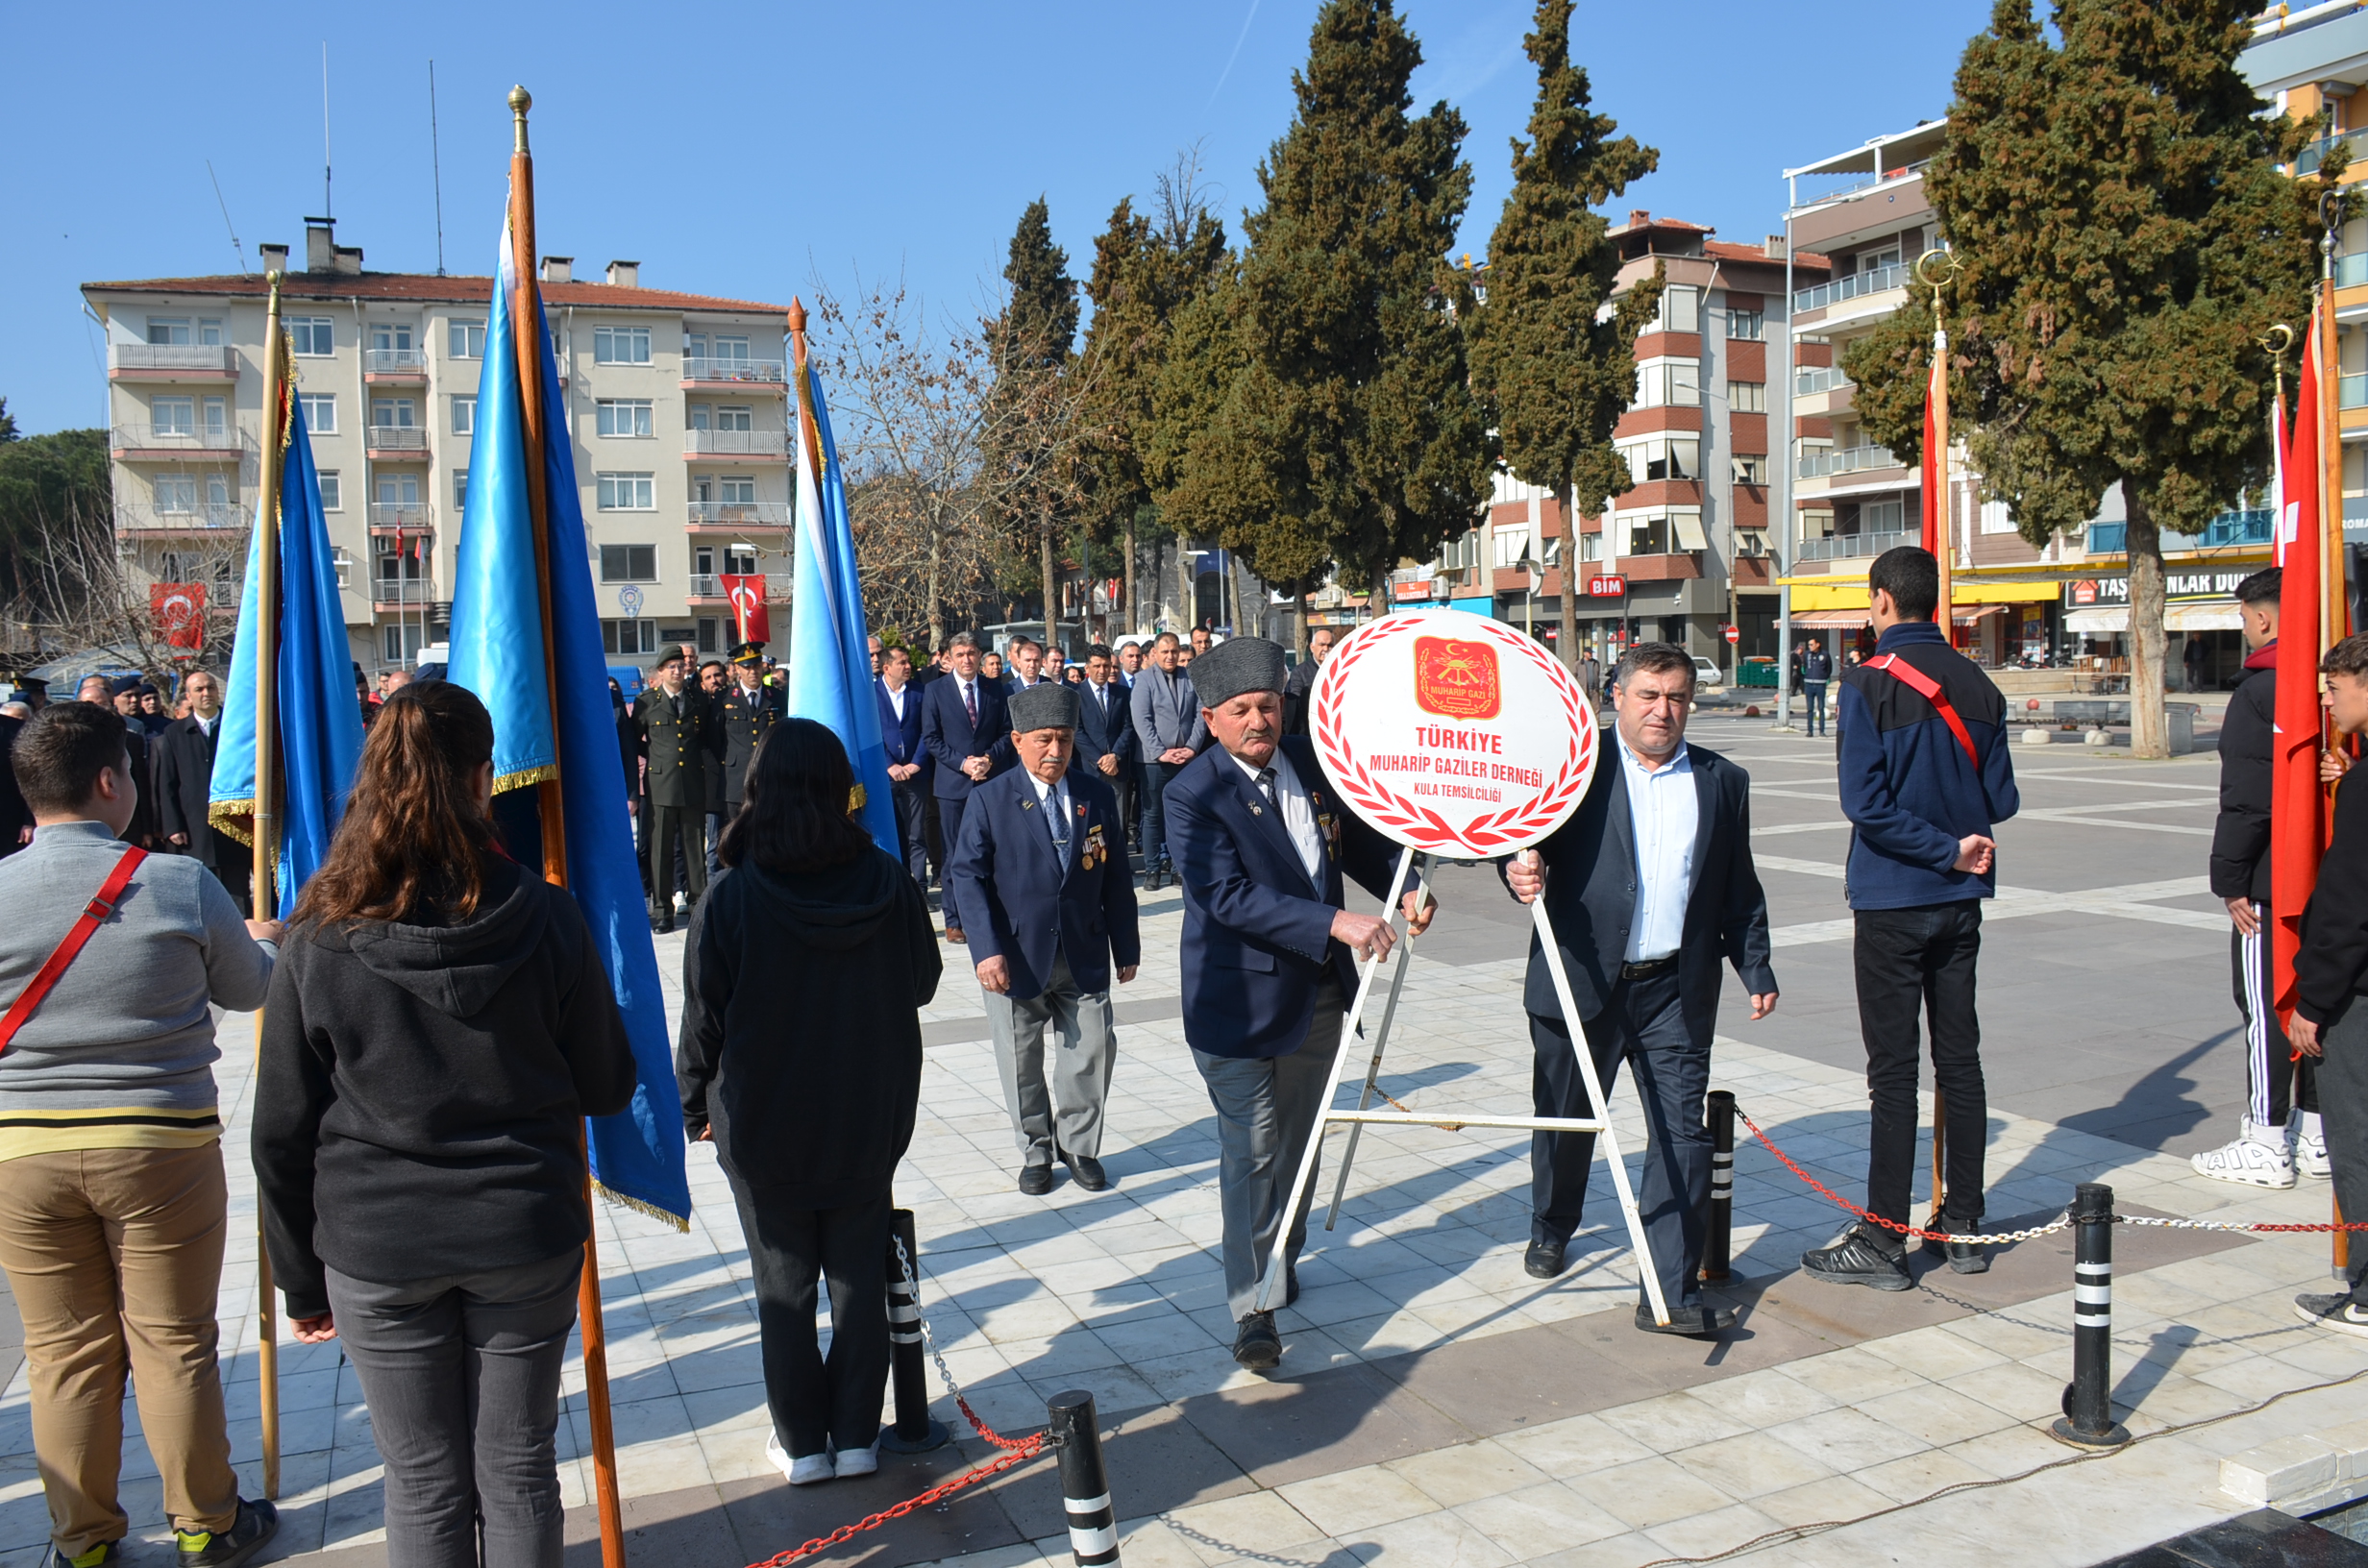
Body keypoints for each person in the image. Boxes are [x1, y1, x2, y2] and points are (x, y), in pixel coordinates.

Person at [253, 682, 636, 1568]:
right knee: (517, 1469)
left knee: (424, 1481)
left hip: (382, 1243)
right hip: (515, 1228)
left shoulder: (318, 932)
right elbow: (607, 1081)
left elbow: (280, 1129)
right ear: (482, 777)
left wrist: (300, 1280)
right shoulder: (545, 913)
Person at [0, 700, 281, 1568]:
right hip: (159, 1145)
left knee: (63, 1354)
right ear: (109, 781)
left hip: (23, 1151)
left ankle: (82, 1542)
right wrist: (265, 941)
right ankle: (206, 1523)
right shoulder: (177, 883)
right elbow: (251, 990)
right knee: (172, 1340)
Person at [678, 718, 941, 1482]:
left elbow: (703, 1017)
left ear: (759, 788)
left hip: (764, 1121)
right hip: (866, 1111)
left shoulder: (730, 895)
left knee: (783, 1287)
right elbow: (922, 981)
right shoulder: (886, 879)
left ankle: (802, 1444)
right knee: (856, 1280)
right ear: (837, 789)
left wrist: (692, 1103)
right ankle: (855, 1436)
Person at [1163, 637, 1433, 1369]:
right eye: (1241, 710)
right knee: (1252, 1150)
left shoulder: (1311, 764)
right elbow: (1224, 895)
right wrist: (1335, 922)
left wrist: (1407, 883)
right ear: (1210, 718)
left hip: (1318, 995)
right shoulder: (1192, 793)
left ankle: (1282, 1252)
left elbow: (1357, 841)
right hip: (1238, 1002)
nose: (1259, 721)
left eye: (1269, 705)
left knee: (1301, 1143)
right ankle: (1253, 1307)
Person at [1504, 643, 1777, 1335]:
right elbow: (1518, 841)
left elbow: (1737, 883)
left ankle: (1668, 1290)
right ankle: (1552, 1224)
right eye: (1649, 695)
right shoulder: (1574, 766)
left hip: (1674, 991)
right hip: (1580, 980)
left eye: (1676, 697)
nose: (1663, 710)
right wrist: (1517, 868)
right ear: (1617, 697)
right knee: (1565, 1118)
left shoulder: (1722, 781)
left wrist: (1755, 966)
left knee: (1682, 1135)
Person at [1803, 546, 2019, 1289]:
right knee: (1960, 1060)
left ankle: (1885, 1239)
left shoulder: (1867, 683)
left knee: (1893, 1072)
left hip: (1894, 899)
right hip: (1961, 904)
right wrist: (1958, 839)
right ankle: (1965, 1226)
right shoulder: (1981, 684)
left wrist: (1939, 849)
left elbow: (1864, 805)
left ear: (1881, 602)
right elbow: (2003, 799)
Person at [948, 684, 1141, 1195]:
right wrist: (986, 950)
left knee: (1092, 1052)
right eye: (1044, 740)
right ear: (1017, 741)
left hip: (1083, 948)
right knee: (1020, 1060)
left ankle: (1078, 1145)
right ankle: (1036, 1150)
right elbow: (967, 876)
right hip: (1016, 955)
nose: (1055, 751)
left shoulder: (1095, 794)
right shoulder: (990, 799)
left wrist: (1127, 945)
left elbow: (1116, 875)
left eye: (1065, 739)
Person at [2201, 569, 2321, 1187]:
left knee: (2265, 1003)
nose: (2245, 627)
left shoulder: (2261, 689)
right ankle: (2317, 1132)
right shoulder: (2325, 681)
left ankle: (2267, 1138)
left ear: (2264, 617)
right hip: (2323, 873)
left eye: (2245, 617)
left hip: (2270, 878)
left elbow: (2247, 797)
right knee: (2317, 998)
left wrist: (2230, 878)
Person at [2287, 633, 2368, 1336]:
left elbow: (2347, 906)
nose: (2326, 699)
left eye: (2336, 687)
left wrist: (2313, 1000)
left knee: (2359, 1137)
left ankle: (2367, 1291)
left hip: (2358, 998)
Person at [920, 634, 1013, 943]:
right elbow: (931, 738)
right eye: (960, 654)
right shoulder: (935, 690)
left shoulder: (994, 689)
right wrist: (963, 764)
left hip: (990, 781)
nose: (967, 659)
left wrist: (988, 759)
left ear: (980, 655)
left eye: (971, 653)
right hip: (953, 785)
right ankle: (954, 919)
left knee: (992, 850)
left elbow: (1006, 733)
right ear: (949, 657)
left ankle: (989, 915)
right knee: (954, 854)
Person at [155, 670, 252, 911]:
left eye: (211, 687)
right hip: (194, 827)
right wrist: (173, 826)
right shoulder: (174, 733)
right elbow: (167, 782)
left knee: (237, 895)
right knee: (199, 897)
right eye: (199, 689)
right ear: (189, 696)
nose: (206, 693)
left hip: (234, 824)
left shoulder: (237, 727)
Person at [636, 649, 714, 933]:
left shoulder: (697, 700)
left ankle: (698, 907)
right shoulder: (647, 702)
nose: (677, 671)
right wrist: (657, 757)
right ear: (660, 672)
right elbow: (633, 741)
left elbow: (705, 739)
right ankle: (662, 911)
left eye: (680, 666)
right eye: (671, 667)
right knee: (661, 851)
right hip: (661, 785)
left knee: (694, 850)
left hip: (692, 783)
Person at [1131, 631, 1204, 891]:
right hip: (1154, 761)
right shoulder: (1144, 680)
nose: (1170, 656)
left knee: (1181, 814)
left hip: (1185, 759)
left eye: (1174, 651)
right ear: (1155, 653)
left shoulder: (1190, 677)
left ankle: (1178, 869)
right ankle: (1152, 870)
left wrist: (1192, 747)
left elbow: (1200, 715)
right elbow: (1142, 720)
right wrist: (1160, 752)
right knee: (1153, 816)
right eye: (1165, 652)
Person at [875, 644, 931, 894]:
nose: (908, 666)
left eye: (908, 662)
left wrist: (916, 762)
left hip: (916, 774)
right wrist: (889, 764)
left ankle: (919, 889)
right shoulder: (871, 694)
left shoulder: (920, 692)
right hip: (886, 776)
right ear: (887, 667)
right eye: (902, 662)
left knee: (916, 834)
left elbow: (928, 730)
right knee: (891, 833)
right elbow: (871, 733)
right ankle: (896, 887)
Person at [1075, 646, 1137, 841]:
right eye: (1097, 666)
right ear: (1087, 668)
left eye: (1106, 666)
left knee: (1118, 819)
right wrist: (1100, 760)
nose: (1102, 671)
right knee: (1091, 820)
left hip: (1117, 767)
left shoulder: (1122, 693)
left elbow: (1128, 727)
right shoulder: (1076, 694)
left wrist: (1114, 756)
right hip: (1089, 768)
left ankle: (1119, 858)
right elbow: (1077, 731)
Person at [698, 659, 730, 881]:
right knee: (714, 840)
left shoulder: (734, 701)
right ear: (702, 684)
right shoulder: (701, 706)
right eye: (708, 677)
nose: (714, 680)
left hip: (735, 778)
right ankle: (713, 886)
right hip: (711, 780)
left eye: (717, 675)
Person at [1282, 626, 1336, 736]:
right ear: (1312, 647)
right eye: (1321, 644)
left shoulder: (1340, 670)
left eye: (1330, 645)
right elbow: (1294, 706)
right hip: (1308, 732)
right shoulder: (1300, 672)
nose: (1326, 649)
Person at [1800, 638, 1835, 738]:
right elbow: (1804, 666)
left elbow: (1829, 668)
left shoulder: (1825, 654)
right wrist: (1806, 676)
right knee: (1809, 709)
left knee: (1821, 708)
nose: (1810, 646)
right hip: (1809, 684)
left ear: (1817, 644)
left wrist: (1824, 677)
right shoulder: (1807, 654)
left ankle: (1822, 731)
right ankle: (1810, 731)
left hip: (1820, 685)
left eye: (1812, 644)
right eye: (1809, 645)